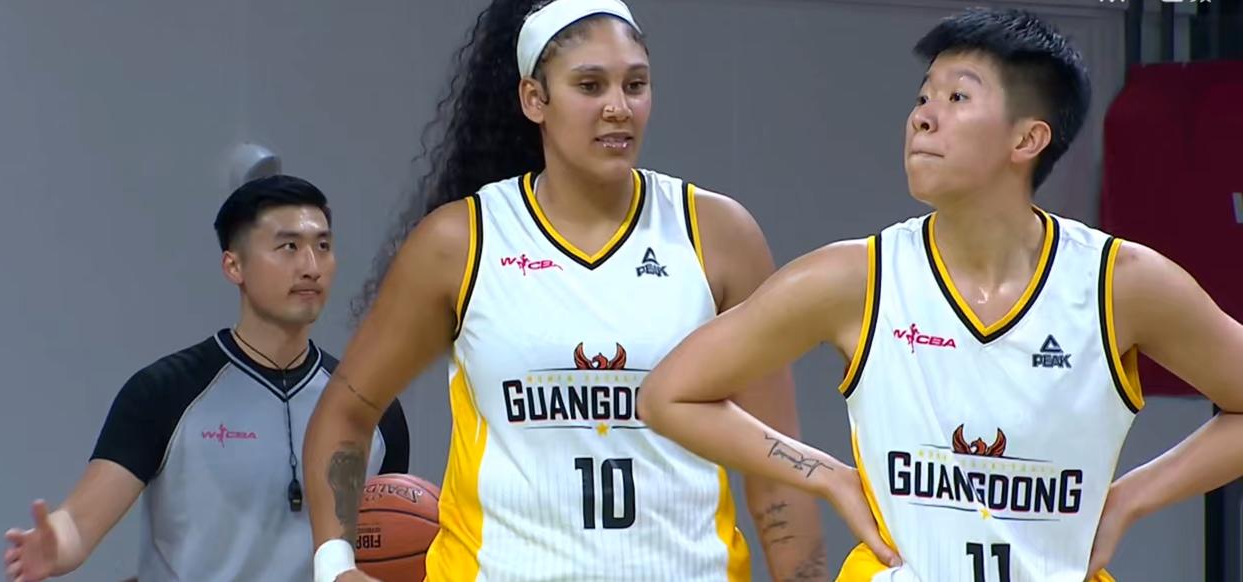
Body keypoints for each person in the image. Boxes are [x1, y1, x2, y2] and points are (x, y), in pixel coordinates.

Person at [639, 6, 1243, 582]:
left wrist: (1129, 500)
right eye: (922, 97)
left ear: (1027, 139)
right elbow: (669, 394)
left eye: (957, 98)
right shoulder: (855, 278)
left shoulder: (1120, 283)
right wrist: (826, 476)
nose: (923, 117)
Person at [301, 1, 853, 580]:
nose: (618, 107)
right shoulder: (461, 242)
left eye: (635, 85)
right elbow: (346, 412)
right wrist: (335, 566)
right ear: (534, 99)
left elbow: (777, 466)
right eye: (590, 85)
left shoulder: (717, 235)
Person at [2, 175, 410, 582]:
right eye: (289, 247)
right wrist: (57, 545)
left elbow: (388, 540)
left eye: (322, 246)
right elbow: (77, 523)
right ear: (234, 266)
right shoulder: (164, 393)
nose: (311, 267)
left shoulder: (371, 408)